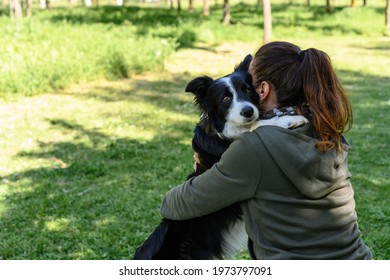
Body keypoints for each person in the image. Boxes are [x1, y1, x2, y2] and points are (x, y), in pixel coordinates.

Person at [160, 41, 372, 259]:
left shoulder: (254, 148)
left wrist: (204, 169)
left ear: (262, 89)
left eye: (248, 85)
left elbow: (174, 204)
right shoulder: (326, 129)